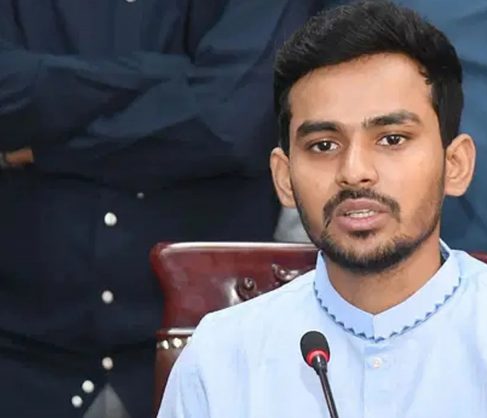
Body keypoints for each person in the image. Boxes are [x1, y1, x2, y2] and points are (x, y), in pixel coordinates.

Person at [158, 2, 487, 417]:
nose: (355, 171)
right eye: (324, 145)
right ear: (284, 178)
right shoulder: (220, 359)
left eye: (392, 139)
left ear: (455, 165)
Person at [0, 1, 319, 417]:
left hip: (211, 359)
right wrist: (160, 76)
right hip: (21, 355)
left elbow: (228, 122)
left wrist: (42, 150)